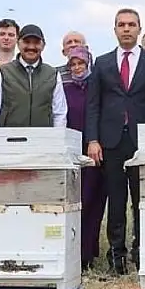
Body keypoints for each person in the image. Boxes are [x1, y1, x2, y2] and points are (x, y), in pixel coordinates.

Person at [86, 9, 145, 275]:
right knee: (116, 201)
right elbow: (93, 104)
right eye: (121, 25)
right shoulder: (103, 63)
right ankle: (117, 255)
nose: (126, 29)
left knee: (143, 201)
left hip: (142, 141)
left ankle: (143, 251)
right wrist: (93, 139)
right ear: (114, 29)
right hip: (111, 141)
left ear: (139, 29)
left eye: (131, 25)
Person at [62, 46, 108, 271]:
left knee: (94, 202)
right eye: (73, 64)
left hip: (94, 148)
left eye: (81, 63)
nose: (77, 68)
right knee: (75, 202)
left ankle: (89, 252)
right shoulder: (64, 87)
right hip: (71, 150)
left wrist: (95, 140)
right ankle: (74, 253)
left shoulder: (96, 84)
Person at [0, 24, 67, 128]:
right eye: (27, 42)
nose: (31, 47)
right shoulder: (3, 72)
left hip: (43, 140)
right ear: (18, 43)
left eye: (36, 43)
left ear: (43, 45)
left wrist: (56, 140)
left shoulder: (53, 74)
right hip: (9, 140)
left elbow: (59, 113)